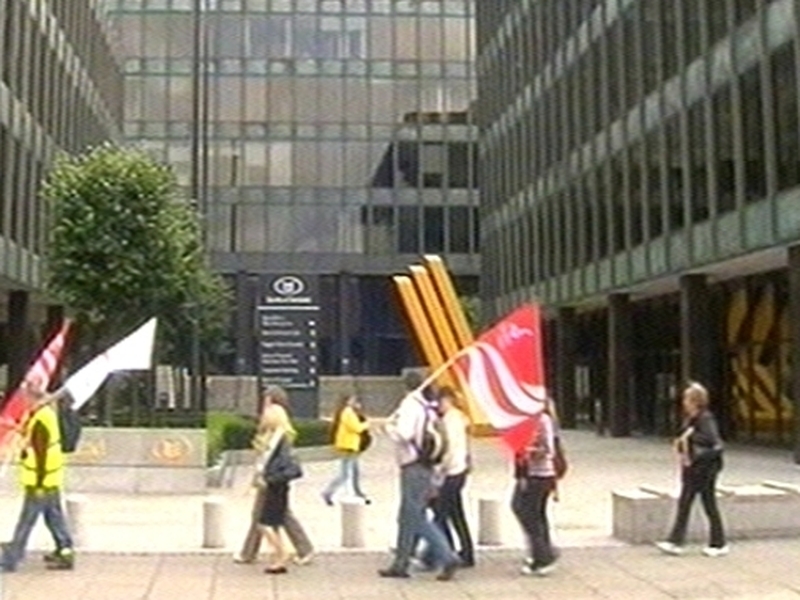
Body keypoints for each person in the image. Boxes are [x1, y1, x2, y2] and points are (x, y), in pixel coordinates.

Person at [379, 372, 459, 581]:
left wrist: (389, 428)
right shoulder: (428, 406)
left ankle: (447, 555)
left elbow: (405, 434)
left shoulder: (410, 405)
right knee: (407, 515)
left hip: (412, 465)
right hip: (426, 465)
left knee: (414, 515)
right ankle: (400, 563)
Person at [235, 386, 315, 565]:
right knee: (275, 515)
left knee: (265, 516)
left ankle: (255, 553)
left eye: (267, 400)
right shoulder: (272, 433)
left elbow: (271, 457)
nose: (264, 406)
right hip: (269, 478)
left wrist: (264, 475)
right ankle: (253, 552)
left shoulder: (279, 435)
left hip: (272, 479)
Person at [1, 385, 74, 572]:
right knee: (54, 517)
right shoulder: (44, 415)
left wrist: (40, 483)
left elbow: (41, 454)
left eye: (26, 399)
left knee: (27, 520)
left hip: (40, 481)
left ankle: (11, 558)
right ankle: (65, 550)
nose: (24, 402)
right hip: (51, 479)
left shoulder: (41, 420)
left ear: (33, 399)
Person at [657, 382, 728, 557]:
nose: (684, 402)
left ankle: (717, 543)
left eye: (687, 398)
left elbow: (713, 441)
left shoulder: (705, 419)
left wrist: (690, 438)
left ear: (695, 401)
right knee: (687, 502)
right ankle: (676, 541)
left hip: (704, 468)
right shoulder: (692, 419)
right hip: (693, 467)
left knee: (706, 503)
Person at [511, 400, 559, 577]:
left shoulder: (541, 420)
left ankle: (542, 555)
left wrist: (525, 450)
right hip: (532, 474)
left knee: (526, 512)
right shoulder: (530, 420)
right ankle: (543, 551)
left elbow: (547, 449)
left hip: (538, 474)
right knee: (536, 514)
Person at [429, 386, 474, 567]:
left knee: (440, 513)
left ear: (446, 400)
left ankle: (440, 553)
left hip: (452, 472)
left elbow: (450, 448)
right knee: (456, 513)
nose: (438, 406)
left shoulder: (451, 419)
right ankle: (466, 552)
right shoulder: (459, 418)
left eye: (440, 402)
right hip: (459, 470)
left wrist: (440, 470)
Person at [257, 403, 299, 574]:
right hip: (274, 484)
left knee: (264, 523)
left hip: (277, 485)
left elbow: (290, 468)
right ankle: (278, 557)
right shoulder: (275, 437)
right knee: (274, 523)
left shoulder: (281, 440)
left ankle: (282, 553)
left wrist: (270, 479)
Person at [322, 394, 371, 505]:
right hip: (348, 445)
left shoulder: (347, 412)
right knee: (345, 473)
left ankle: (357, 492)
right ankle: (329, 492)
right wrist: (366, 424)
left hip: (350, 445)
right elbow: (356, 428)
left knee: (354, 470)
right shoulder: (348, 412)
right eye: (352, 400)